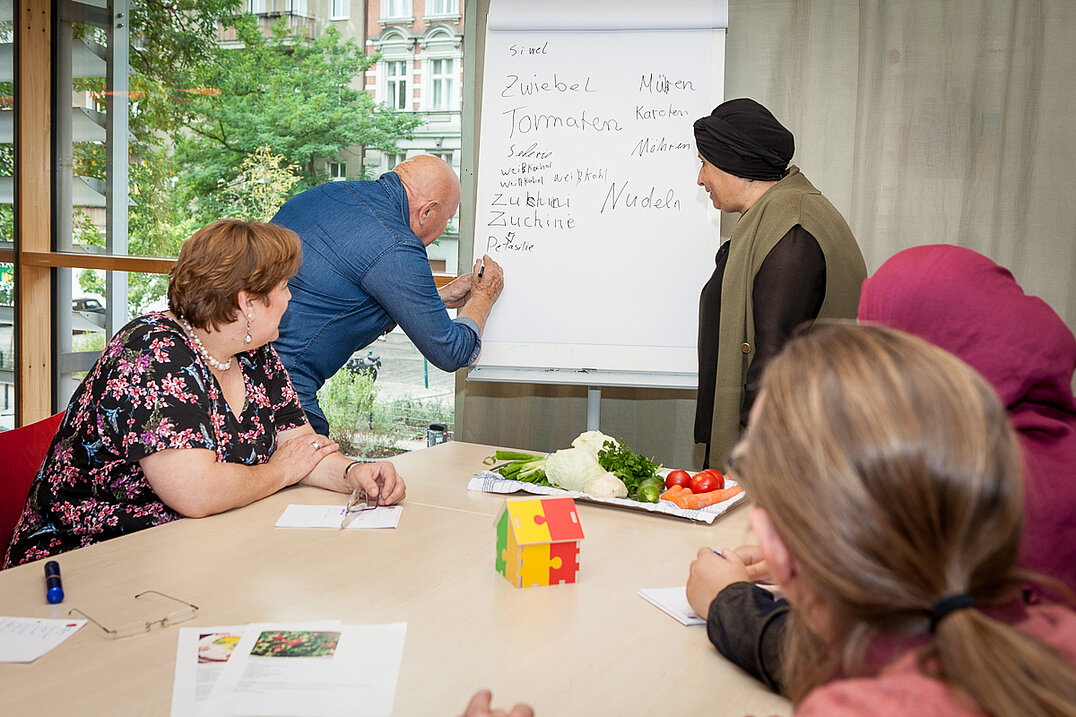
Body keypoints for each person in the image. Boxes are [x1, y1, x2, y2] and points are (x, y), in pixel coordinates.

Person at [692, 246, 1076, 693]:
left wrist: (730, 603)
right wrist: (840, 566)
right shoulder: (1043, 443)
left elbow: (881, 665)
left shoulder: (991, 480)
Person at [4, 220, 404, 567]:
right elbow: (197, 492)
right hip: (90, 562)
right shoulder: (153, 353)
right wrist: (280, 471)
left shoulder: (252, 354)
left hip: (193, 551)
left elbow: (302, 448)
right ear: (247, 302)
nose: (289, 297)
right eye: (284, 287)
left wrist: (354, 474)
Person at [270, 154, 505, 436]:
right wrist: (483, 297)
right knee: (311, 472)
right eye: (448, 218)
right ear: (427, 212)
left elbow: (334, 285)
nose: (443, 231)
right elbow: (451, 352)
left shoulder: (328, 193)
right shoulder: (396, 243)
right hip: (280, 389)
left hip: (231, 373)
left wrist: (435, 297)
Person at [692, 98, 866, 468]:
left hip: (782, 457)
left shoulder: (791, 228)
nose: (701, 178)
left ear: (732, 163)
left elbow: (774, 360)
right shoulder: (776, 216)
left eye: (704, 164)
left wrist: (749, 462)